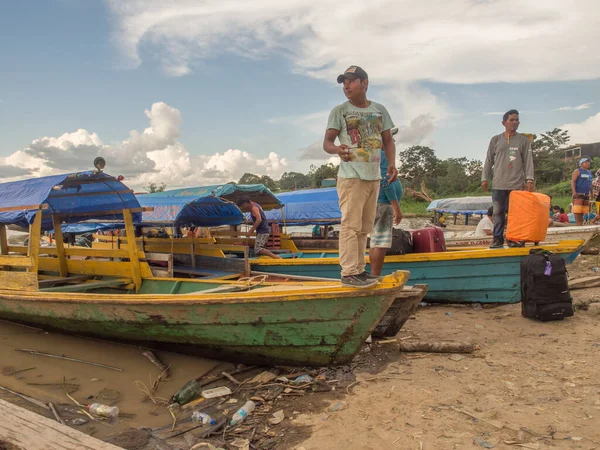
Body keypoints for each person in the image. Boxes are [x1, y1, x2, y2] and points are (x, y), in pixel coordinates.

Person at [323, 65, 397, 287]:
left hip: (373, 176)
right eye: (344, 82)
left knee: (365, 227)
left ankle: (359, 271)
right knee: (351, 225)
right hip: (351, 176)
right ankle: (349, 273)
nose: (346, 85)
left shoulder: (380, 110)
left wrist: (392, 163)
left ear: (365, 83)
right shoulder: (340, 111)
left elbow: (388, 141)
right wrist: (339, 150)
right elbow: (327, 143)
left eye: (351, 81)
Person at [482, 109, 535, 248]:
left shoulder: (524, 140)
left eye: (517, 119)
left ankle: (513, 238)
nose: (515, 122)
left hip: (516, 184)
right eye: (512, 120)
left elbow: (528, 161)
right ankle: (497, 239)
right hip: (498, 183)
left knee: (515, 214)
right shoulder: (496, 140)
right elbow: (488, 160)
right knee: (498, 212)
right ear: (504, 122)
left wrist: (530, 179)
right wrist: (484, 178)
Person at [369, 144, 403, 276]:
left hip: (377, 203)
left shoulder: (376, 155)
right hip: (384, 204)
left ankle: (374, 275)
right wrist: (396, 208)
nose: (393, 142)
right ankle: (376, 276)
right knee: (381, 243)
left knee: (375, 241)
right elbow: (385, 181)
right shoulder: (384, 156)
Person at [571, 157, 593, 226]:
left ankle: (581, 225)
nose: (588, 163)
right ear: (581, 164)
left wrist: (591, 193)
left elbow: (590, 183)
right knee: (577, 211)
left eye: (588, 162)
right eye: (586, 162)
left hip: (586, 194)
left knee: (584, 211)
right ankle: (578, 225)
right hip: (579, 193)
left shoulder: (589, 172)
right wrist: (574, 192)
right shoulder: (578, 171)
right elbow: (573, 181)